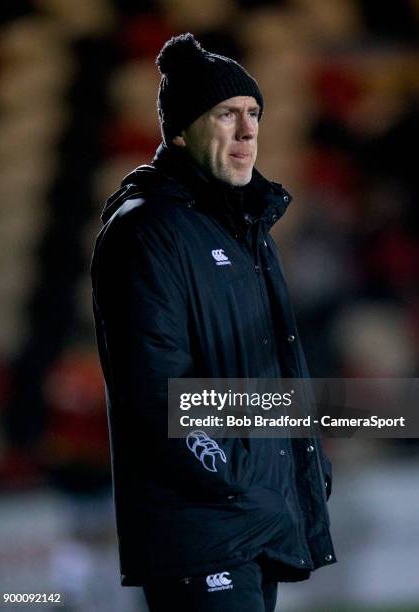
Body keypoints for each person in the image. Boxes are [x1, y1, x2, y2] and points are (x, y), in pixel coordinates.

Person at [91, 33, 336, 612]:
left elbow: (276, 369)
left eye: (254, 114)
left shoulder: (246, 229)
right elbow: (156, 389)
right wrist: (228, 470)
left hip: (254, 515)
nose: (248, 131)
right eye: (227, 114)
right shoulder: (147, 231)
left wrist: (306, 457)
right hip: (201, 528)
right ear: (181, 130)